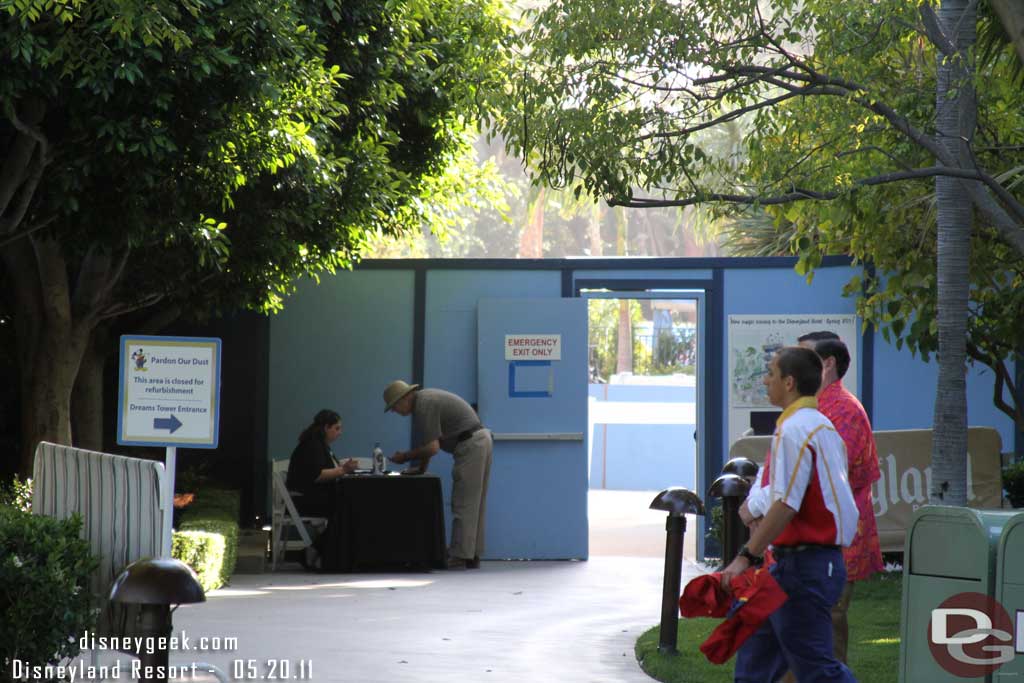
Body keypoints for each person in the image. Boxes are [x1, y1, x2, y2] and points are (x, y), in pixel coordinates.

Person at [724, 347, 859, 682]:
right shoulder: (821, 427)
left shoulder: (795, 429)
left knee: (816, 669)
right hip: (795, 565)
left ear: (789, 382)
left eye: (770, 373)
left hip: (804, 567)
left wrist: (745, 556)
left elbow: (786, 504)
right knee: (754, 659)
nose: (765, 380)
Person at [799, 335, 884, 664]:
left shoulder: (844, 409)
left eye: (803, 356)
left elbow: (828, 471)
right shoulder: (819, 405)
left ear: (828, 363)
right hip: (819, 529)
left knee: (830, 612)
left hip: (837, 531)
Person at [383, 380, 492, 570]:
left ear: (405, 398)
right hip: (480, 439)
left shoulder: (424, 406)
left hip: (470, 445)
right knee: (476, 503)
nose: (394, 411)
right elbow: (433, 443)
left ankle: (459, 556)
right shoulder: (426, 400)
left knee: (464, 503)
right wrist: (421, 468)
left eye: (394, 406)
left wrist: (405, 457)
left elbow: (432, 448)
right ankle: (472, 554)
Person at [285, 409, 358, 568]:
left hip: (312, 497)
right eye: (337, 428)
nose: (340, 433)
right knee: (348, 511)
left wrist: (341, 469)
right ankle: (316, 550)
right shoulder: (313, 445)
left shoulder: (319, 444)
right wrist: (343, 470)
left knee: (349, 509)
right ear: (326, 427)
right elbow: (317, 475)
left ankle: (318, 551)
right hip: (305, 500)